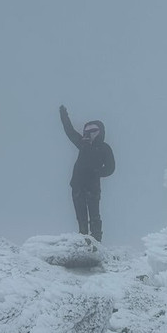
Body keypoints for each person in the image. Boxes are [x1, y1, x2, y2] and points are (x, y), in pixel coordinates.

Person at [59, 104, 115, 242]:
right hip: (77, 185)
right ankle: (83, 239)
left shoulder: (104, 148)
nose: (88, 133)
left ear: (100, 131)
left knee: (94, 215)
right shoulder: (82, 143)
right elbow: (70, 131)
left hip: (92, 186)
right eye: (86, 130)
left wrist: (96, 172)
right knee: (81, 216)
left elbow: (111, 167)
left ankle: (96, 240)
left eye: (93, 130)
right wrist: (64, 116)